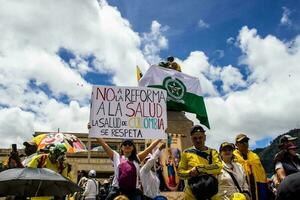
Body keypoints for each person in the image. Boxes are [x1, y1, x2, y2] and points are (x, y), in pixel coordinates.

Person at [96, 137, 162, 200]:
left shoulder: (137, 158)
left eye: (130, 144)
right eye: (125, 144)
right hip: (117, 190)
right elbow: (104, 144)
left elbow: (151, 147)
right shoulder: (116, 156)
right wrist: (94, 132)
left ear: (133, 147)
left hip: (133, 192)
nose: (127, 145)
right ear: (121, 147)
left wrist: (161, 137)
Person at [178, 125, 222, 200]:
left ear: (204, 137)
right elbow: (180, 173)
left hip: (211, 189)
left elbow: (218, 167)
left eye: (200, 138)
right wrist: (190, 173)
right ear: (191, 139)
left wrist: (199, 169)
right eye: (195, 138)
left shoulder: (212, 152)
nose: (198, 140)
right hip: (192, 191)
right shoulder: (186, 152)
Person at [233, 134, 269, 200]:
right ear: (236, 144)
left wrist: (266, 183)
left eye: (246, 141)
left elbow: (262, 171)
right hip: (242, 186)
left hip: (259, 185)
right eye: (241, 142)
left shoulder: (254, 155)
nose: (244, 143)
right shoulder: (233, 156)